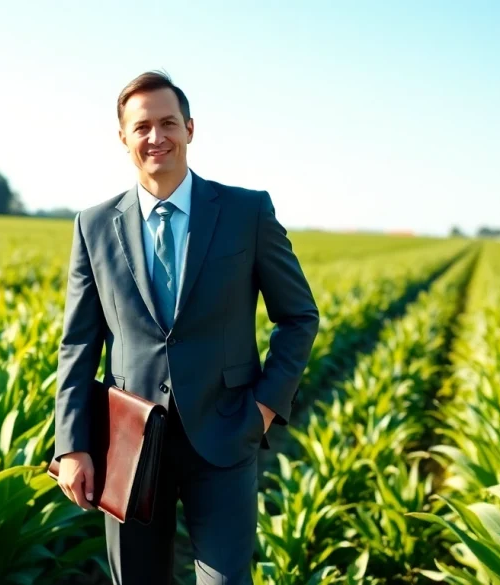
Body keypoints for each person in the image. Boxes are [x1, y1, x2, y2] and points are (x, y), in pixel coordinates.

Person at [52, 70, 320, 585]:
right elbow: (79, 343)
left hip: (225, 434)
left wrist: (263, 410)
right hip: (128, 446)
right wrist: (73, 445)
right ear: (124, 138)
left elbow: (299, 316)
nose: (157, 137)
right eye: (143, 126)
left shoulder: (247, 211)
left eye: (168, 123)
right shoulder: (93, 225)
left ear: (191, 129)